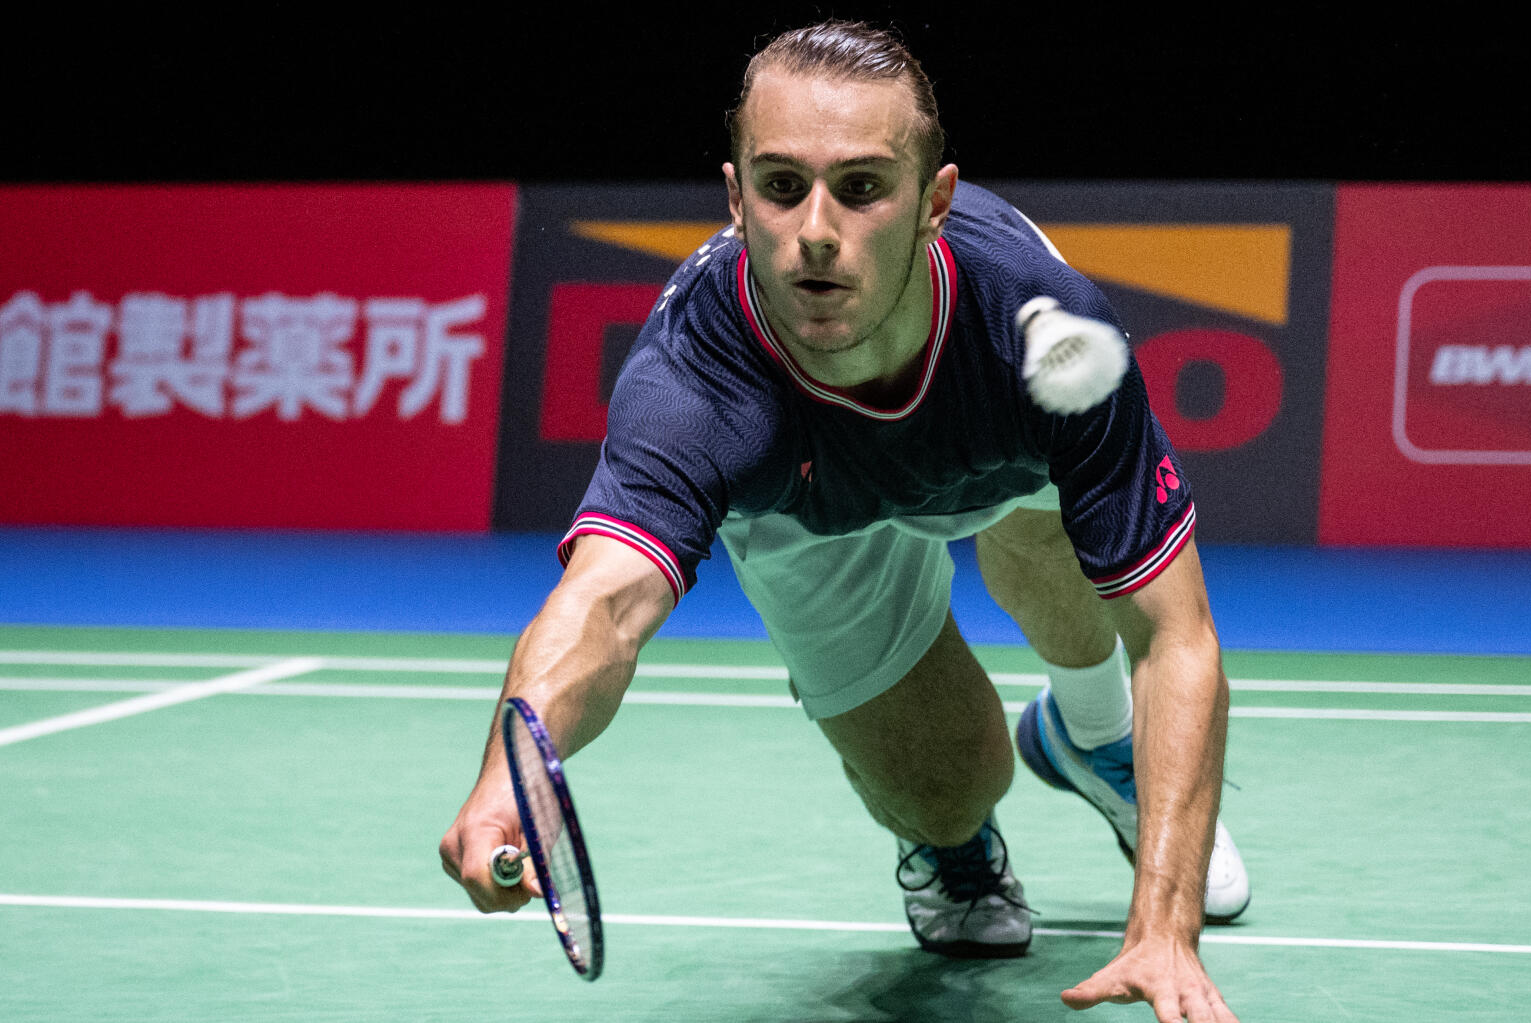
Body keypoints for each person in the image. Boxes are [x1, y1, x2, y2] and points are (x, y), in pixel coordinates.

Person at [440, 20, 1248, 1023]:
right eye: (780, 187)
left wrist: (1161, 930)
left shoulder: (1047, 335)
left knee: (1074, 551)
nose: (815, 229)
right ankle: (953, 851)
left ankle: (1091, 737)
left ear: (932, 204)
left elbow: (1172, 635)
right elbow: (602, 604)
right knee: (949, 779)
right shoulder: (695, 381)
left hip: (989, 438)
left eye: (861, 188)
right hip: (805, 512)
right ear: (736, 200)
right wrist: (515, 769)